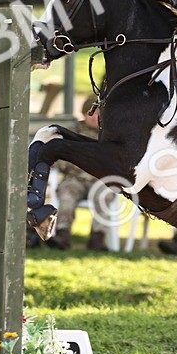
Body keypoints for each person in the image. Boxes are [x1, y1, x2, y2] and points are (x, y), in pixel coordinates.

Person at [49, 98, 117, 251]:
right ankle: (62, 234)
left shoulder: (109, 136)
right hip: (75, 178)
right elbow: (58, 157)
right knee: (66, 193)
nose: (93, 118)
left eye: (97, 114)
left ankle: (97, 237)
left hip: (100, 180)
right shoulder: (72, 133)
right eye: (90, 114)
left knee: (105, 194)